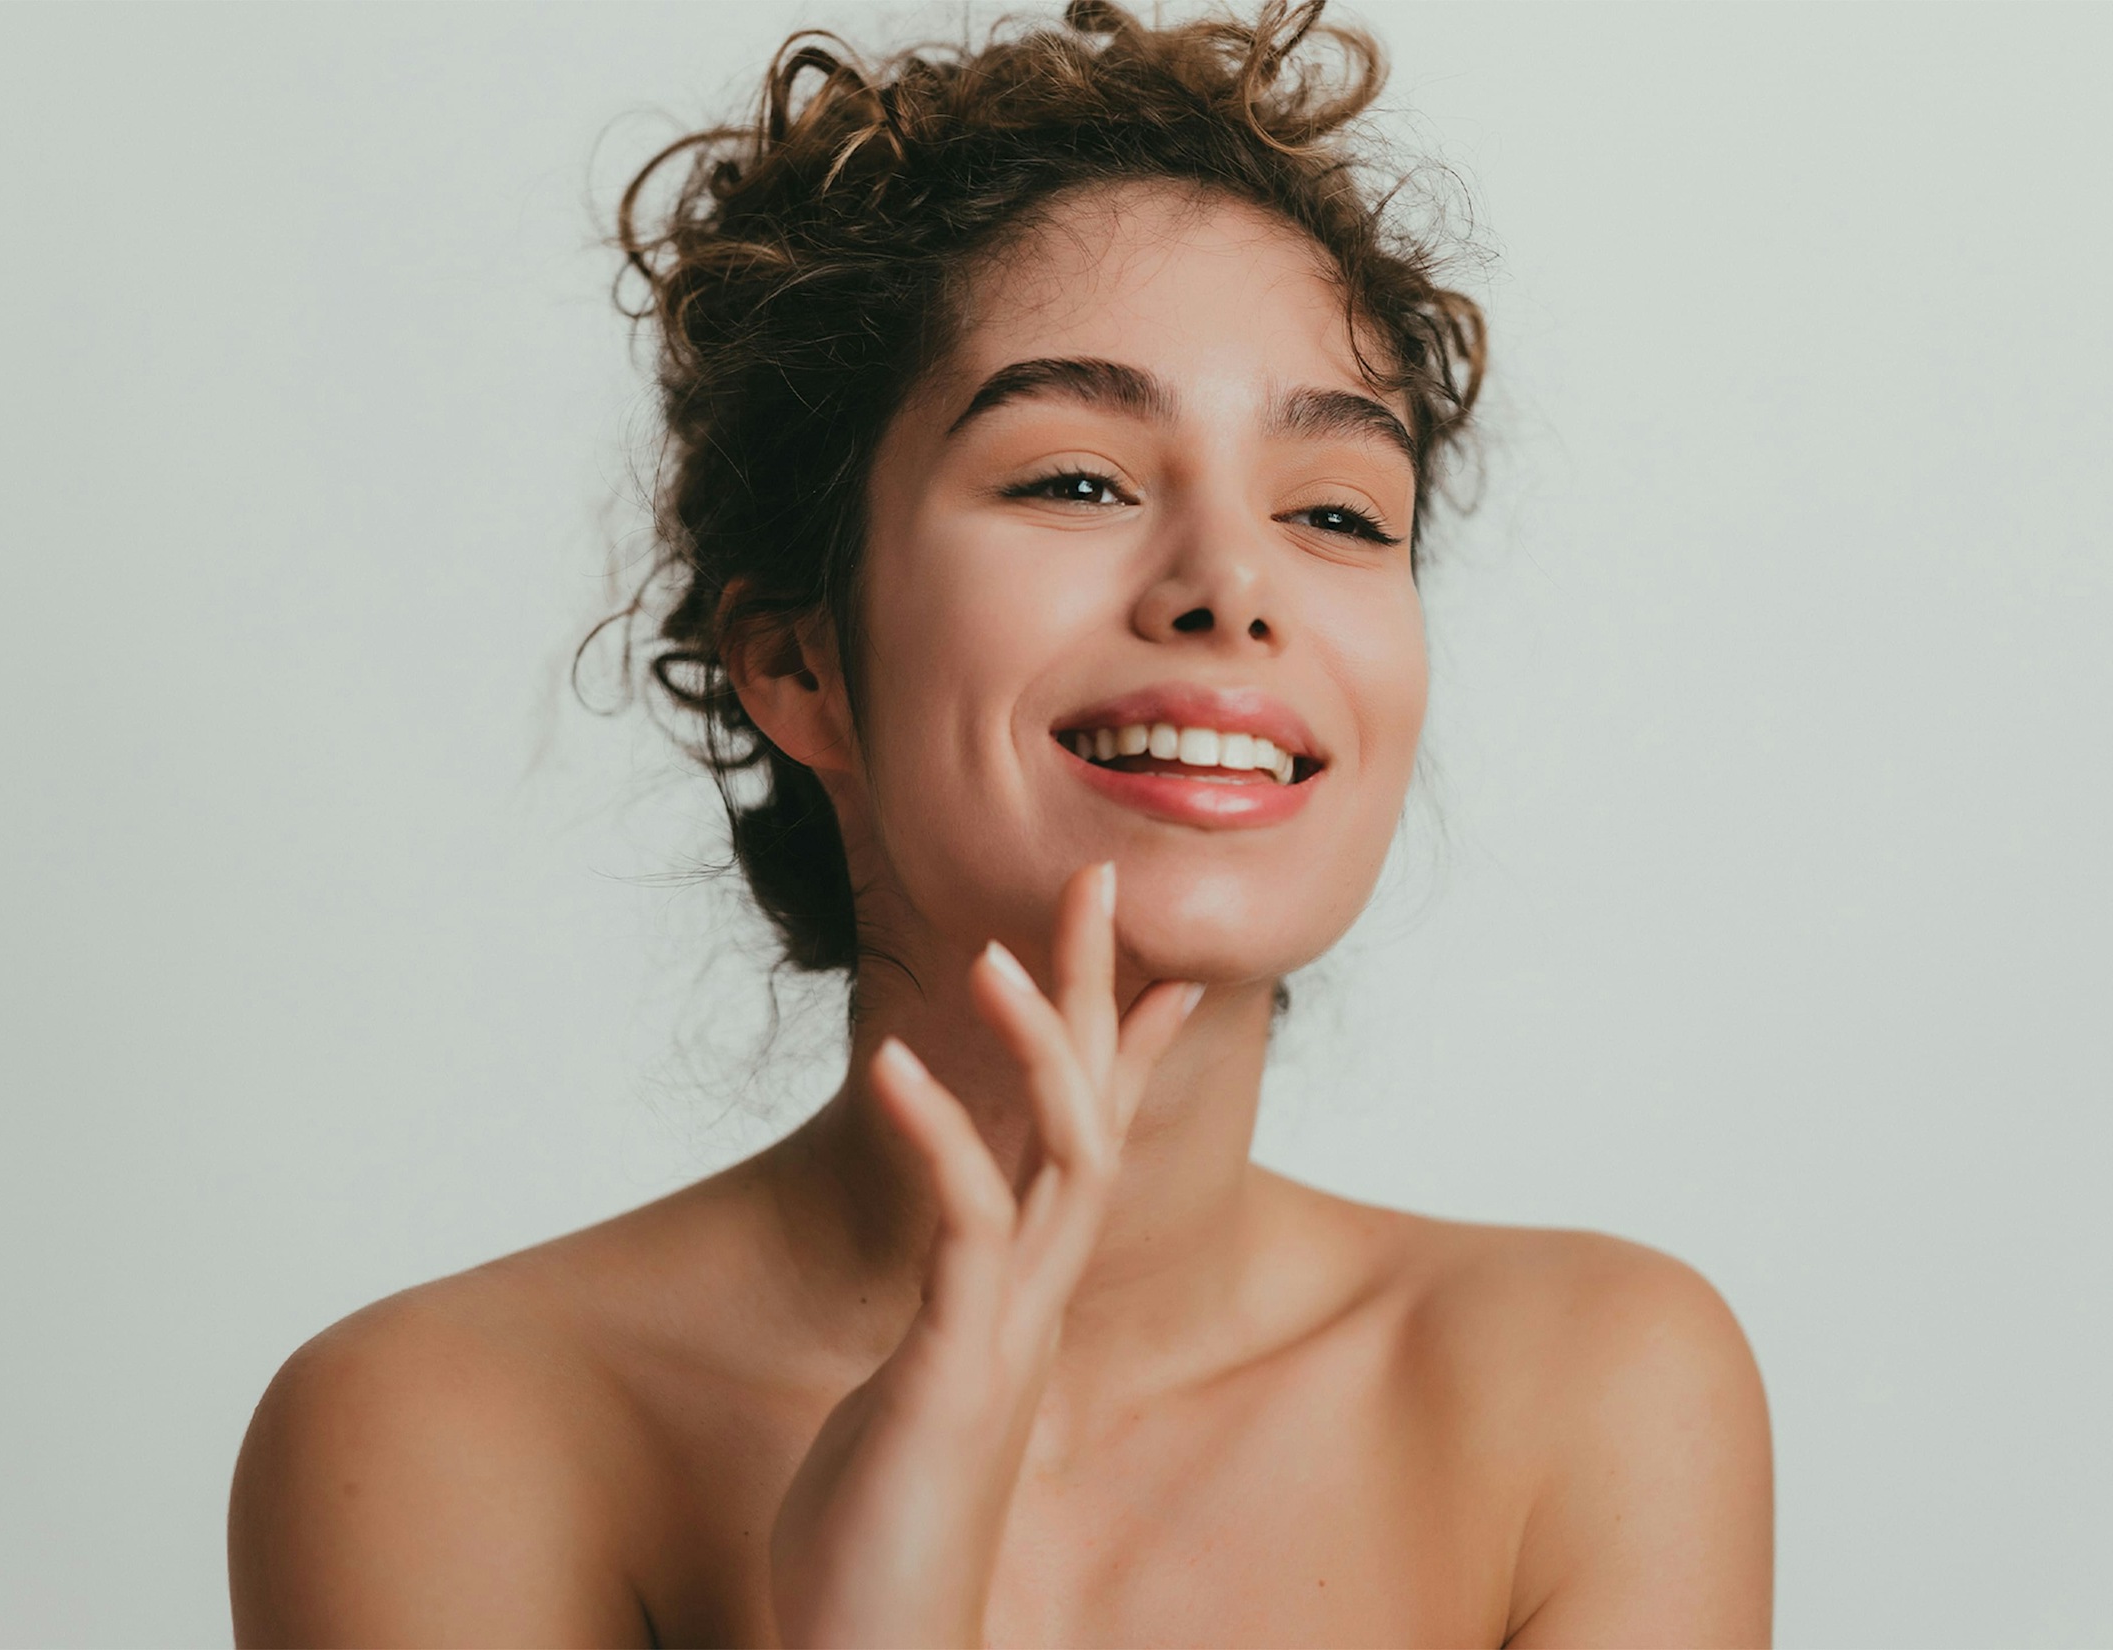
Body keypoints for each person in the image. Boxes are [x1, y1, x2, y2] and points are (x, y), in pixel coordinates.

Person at [227, 3, 1774, 1643]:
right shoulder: (439, 1431)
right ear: (798, 659)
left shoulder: (1595, 1396)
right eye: (1078, 480)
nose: (1234, 589)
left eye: (1337, 511)